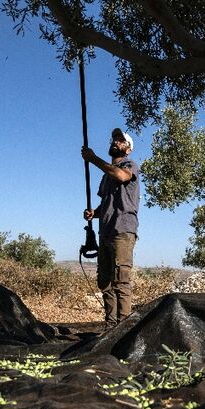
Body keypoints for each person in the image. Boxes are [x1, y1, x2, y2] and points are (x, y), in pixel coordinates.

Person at [81, 128, 140, 329]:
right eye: (114, 139)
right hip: (105, 231)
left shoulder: (129, 165)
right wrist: (94, 213)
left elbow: (122, 177)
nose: (116, 142)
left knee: (120, 280)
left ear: (128, 149)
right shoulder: (106, 175)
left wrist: (92, 158)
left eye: (121, 140)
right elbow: (107, 203)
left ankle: (123, 329)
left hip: (122, 230)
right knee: (104, 281)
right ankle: (110, 325)